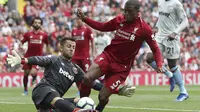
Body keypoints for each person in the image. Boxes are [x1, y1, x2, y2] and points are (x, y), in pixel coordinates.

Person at [77, 0, 164, 111]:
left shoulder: (144, 29)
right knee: (87, 78)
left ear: (138, 12)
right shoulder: (120, 19)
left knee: (102, 97)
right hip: (108, 57)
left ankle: (98, 109)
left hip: (121, 68)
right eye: (125, 11)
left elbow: (155, 48)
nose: (126, 14)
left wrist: (159, 64)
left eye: (129, 12)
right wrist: (85, 19)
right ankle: (82, 107)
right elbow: (103, 27)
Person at [7, 37, 98, 112]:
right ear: (61, 48)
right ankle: (76, 111)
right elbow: (39, 59)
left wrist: (108, 88)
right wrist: (23, 60)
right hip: (42, 90)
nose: (71, 49)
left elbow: (91, 82)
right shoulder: (55, 59)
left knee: (78, 100)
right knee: (56, 99)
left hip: (54, 99)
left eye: (73, 47)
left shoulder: (76, 69)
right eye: (69, 46)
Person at [145, 0, 189, 101]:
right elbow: (161, 18)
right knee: (149, 58)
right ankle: (169, 75)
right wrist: (156, 27)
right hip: (160, 36)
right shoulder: (160, 1)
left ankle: (183, 92)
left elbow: (185, 21)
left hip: (171, 38)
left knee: (172, 65)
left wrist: (175, 32)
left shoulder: (176, 3)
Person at [72, 18, 103, 97]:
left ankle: (99, 88)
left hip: (85, 57)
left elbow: (92, 41)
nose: (78, 21)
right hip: (75, 57)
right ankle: (80, 90)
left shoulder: (87, 30)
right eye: (77, 20)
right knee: (75, 75)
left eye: (80, 20)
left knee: (87, 76)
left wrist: (93, 52)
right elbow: (72, 42)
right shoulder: (74, 30)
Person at [20, 17, 50, 96]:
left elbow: (48, 44)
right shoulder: (28, 34)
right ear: (32, 23)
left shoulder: (44, 35)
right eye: (35, 22)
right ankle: (25, 90)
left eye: (39, 23)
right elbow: (21, 42)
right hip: (27, 57)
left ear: (41, 25)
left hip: (37, 58)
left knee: (33, 72)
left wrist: (47, 53)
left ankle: (33, 81)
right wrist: (21, 47)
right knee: (26, 73)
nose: (37, 24)